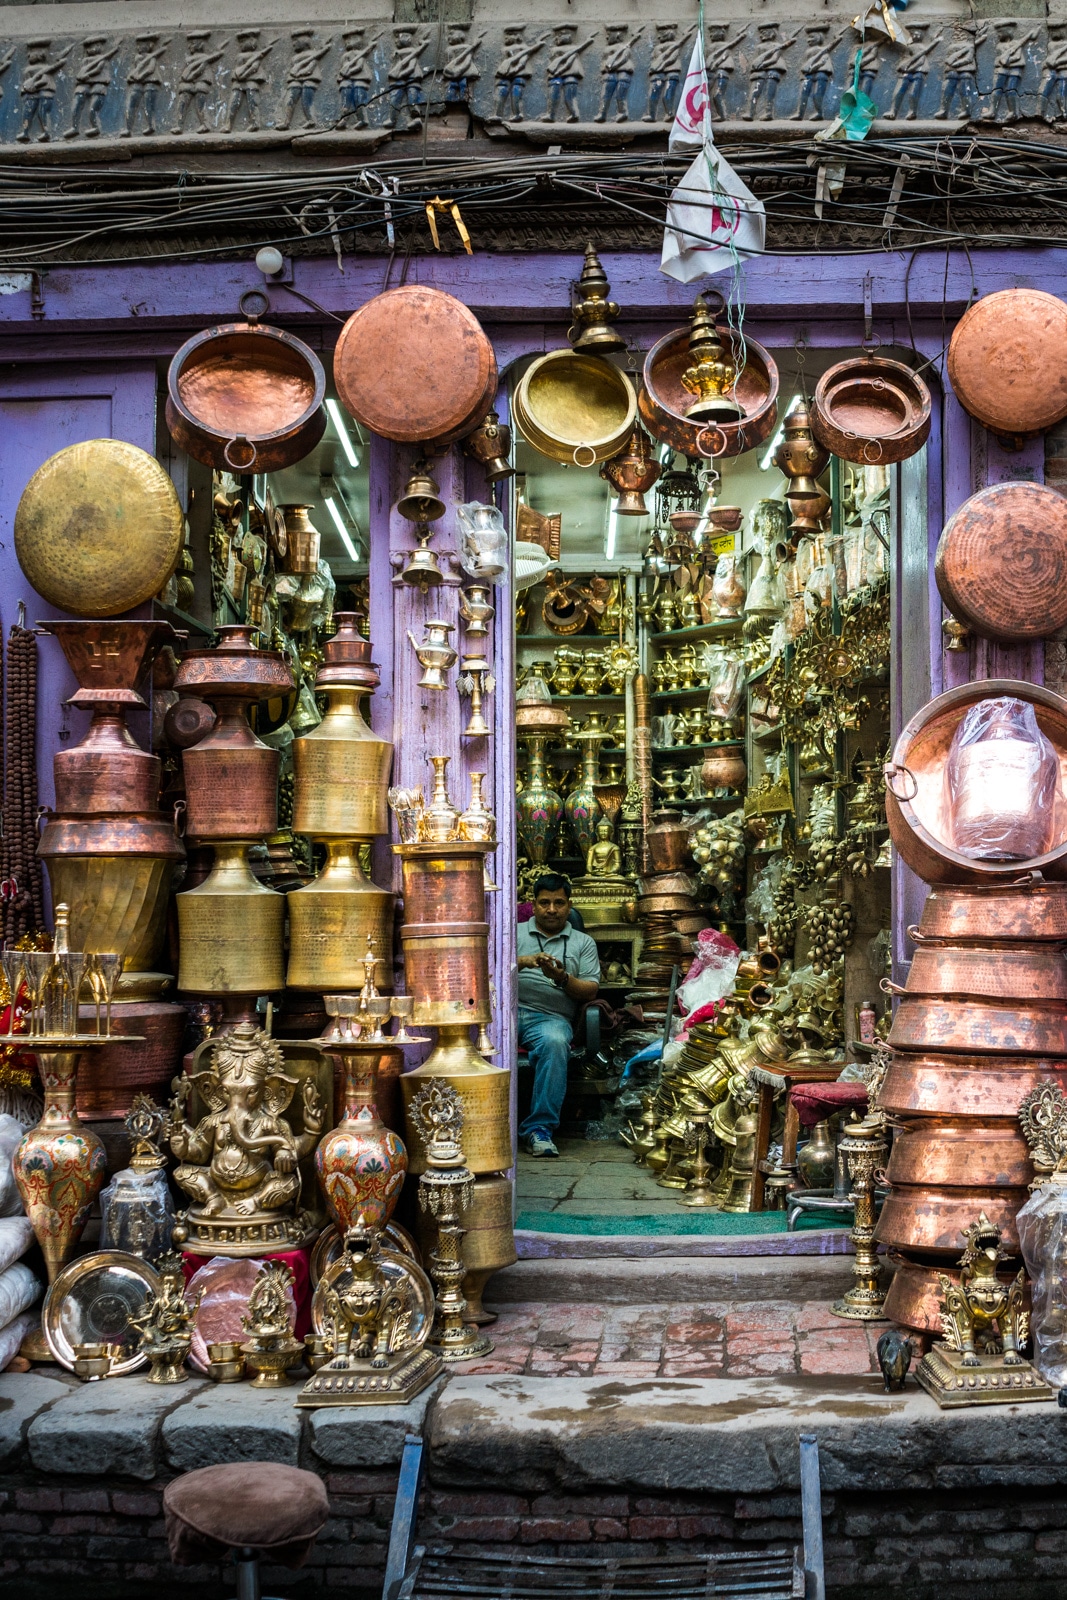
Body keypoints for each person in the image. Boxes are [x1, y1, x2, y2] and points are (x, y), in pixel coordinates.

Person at [517, 875, 600, 1158]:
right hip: (504, 1014)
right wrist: (522, 962)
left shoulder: (583, 942)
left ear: (569, 906)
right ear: (533, 905)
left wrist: (562, 978)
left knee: (554, 1041)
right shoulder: (511, 933)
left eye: (559, 903)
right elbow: (484, 968)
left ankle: (539, 1129)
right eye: (544, 903)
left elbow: (590, 990)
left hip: (549, 1018)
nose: (551, 909)